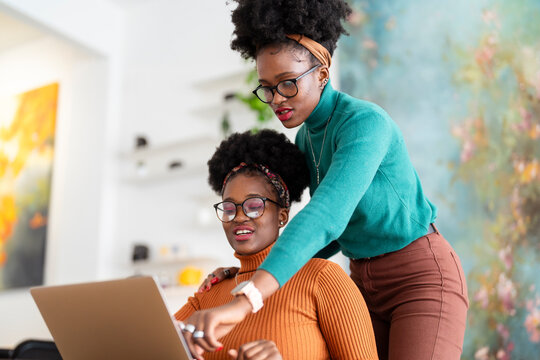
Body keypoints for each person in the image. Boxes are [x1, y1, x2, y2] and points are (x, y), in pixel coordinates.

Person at [184, 1, 469, 359]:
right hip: (362, 281)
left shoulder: (365, 124)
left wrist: (245, 301)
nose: (276, 100)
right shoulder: (306, 138)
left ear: (322, 73)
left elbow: (326, 217)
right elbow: (326, 240)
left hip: (419, 277)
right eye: (267, 88)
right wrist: (246, 271)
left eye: (287, 83)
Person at [176, 129, 378, 360]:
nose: (239, 217)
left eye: (254, 206)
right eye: (229, 208)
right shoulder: (209, 293)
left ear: (282, 215)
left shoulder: (322, 278)